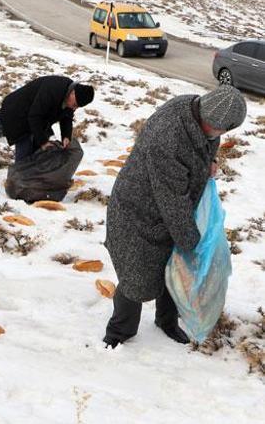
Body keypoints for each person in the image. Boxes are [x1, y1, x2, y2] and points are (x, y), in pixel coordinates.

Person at [103, 85, 247, 348]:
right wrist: (193, 244)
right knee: (137, 276)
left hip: (170, 207)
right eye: (222, 130)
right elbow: (172, 200)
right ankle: (118, 333)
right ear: (209, 120)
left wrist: (209, 161)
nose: (221, 135)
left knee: (175, 265)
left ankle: (166, 321)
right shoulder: (167, 136)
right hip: (137, 212)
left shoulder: (198, 111)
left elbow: (207, 143)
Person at [0, 76, 94, 162]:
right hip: (17, 113)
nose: (74, 108)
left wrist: (66, 137)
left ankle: (31, 176)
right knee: (25, 149)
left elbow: (67, 116)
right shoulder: (53, 90)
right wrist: (43, 141)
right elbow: (35, 116)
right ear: (73, 93)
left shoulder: (70, 94)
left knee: (37, 150)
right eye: (75, 105)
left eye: (77, 107)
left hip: (35, 117)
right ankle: (18, 178)